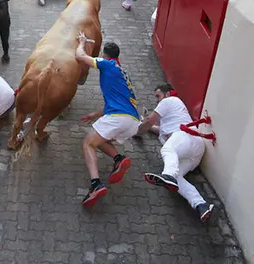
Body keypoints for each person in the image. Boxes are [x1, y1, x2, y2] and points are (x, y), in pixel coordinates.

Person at [135, 84, 216, 222]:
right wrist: (144, 124)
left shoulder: (169, 100)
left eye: (158, 96)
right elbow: (156, 128)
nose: (157, 100)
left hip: (185, 138)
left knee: (167, 150)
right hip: (194, 149)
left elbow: (149, 122)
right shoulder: (173, 116)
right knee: (178, 177)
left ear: (167, 94)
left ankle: (168, 175)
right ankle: (201, 205)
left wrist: (137, 131)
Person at [75, 38, 139, 207]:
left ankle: (95, 184)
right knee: (99, 139)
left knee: (88, 143)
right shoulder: (123, 72)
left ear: (105, 55)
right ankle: (118, 159)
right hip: (132, 121)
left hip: (119, 117)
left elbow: (81, 57)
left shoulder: (107, 64)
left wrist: (81, 42)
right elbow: (113, 102)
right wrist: (93, 115)